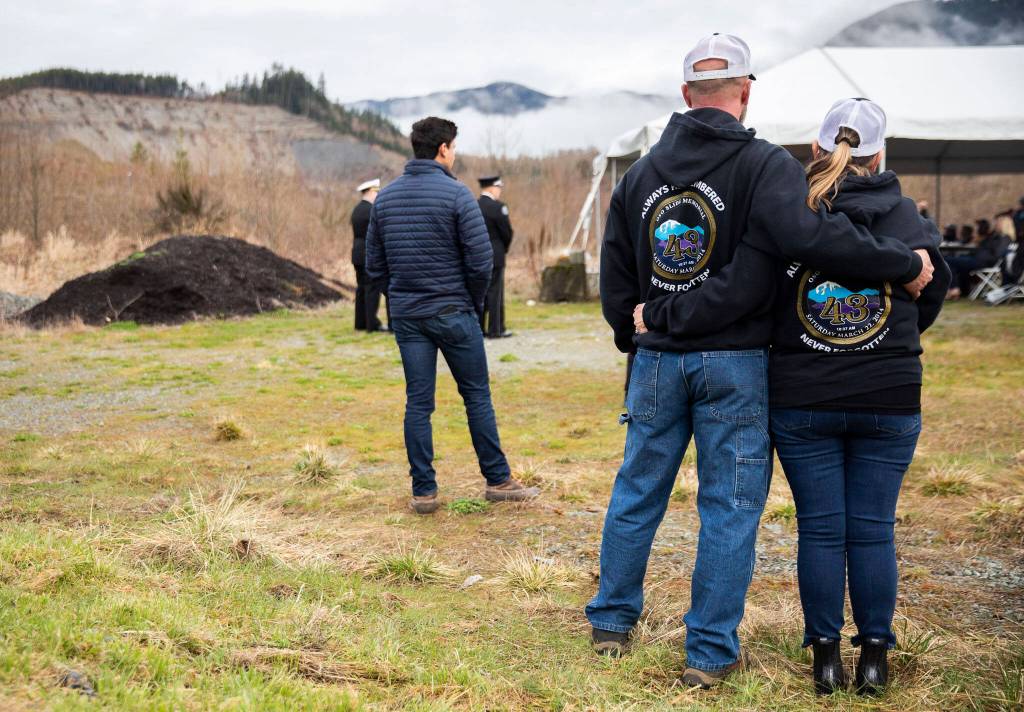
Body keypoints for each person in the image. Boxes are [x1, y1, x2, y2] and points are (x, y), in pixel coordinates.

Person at [588, 33, 933, 689]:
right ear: (745, 92)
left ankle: (610, 623)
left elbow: (616, 277)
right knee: (730, 508)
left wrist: (640, 330)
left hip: (658, 360)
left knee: (635, 493)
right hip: (735, 364)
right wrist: (904, 264)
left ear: (686, 94)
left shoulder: (639, 175)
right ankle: (709, 656)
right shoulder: (764, 165)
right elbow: (807, 242)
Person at [767, 99, 949, 696]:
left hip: (803, 396)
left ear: (816, 151)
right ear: (883, 154)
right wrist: (883, 347)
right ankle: (874, 659)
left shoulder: (794, 215)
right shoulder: (908, 220)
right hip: (889, 395)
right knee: (872, 530)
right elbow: (931, 296)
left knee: (820, 530)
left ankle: (824, 659)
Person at [365, 117, 539, 514]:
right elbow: (481, 262)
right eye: (454, 147)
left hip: (409, 316)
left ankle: (423, 491)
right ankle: (497, 480)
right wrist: (471, 303)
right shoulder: (458, 196)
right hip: (453, 311)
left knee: (418, 403)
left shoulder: (386, 199)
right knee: (477, 396)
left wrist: (399, 296)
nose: (455, 153)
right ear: (443, 148)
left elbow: (374, 266)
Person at [478, 175, 514, 338]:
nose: (499, 191)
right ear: (492, 188)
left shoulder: (473, 205)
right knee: (495, 293)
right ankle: (496, 329)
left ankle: (479, 328)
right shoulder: (498, 207)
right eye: (499, 188)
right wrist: (502, 249)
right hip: (495, 255)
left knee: (479, 292)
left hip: (477, 255)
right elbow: (507, 233)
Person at [351, 179, 387, 332]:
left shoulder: (357, 209)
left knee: (361, 288)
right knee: (372, 288)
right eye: (376, 192)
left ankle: (360, 323)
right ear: (371, 192)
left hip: (357, 253)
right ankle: (372, 324)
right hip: (368, 253)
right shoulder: (371, 210)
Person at [946, 216, 1010, 298]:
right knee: (954, 261)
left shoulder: (1005, 238)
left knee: (948, 261)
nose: (996, 225)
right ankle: (961, 290)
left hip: (983, 262)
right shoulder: (994, 237)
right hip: (978, 259)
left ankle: (954, 289)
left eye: (998, 223)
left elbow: (998, 255)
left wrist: (984, 253)